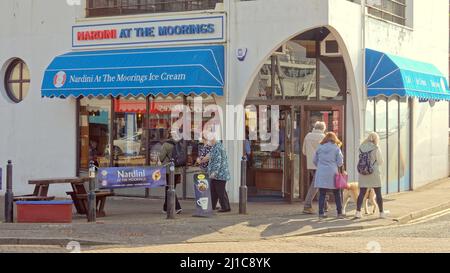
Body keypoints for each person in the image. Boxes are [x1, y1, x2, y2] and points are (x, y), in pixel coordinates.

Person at [355, 132, 388, 219]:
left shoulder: (361, 147)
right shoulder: (376, 148)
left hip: (363, 173)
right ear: (376, 139)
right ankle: (381, 213)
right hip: (374, 172)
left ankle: (358, 212)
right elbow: (381, 161)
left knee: (362, 193)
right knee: (378, 193)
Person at [313, 132, 345, 219]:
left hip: (321, 172)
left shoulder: (319, 147)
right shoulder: (336, 148)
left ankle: (321, 213)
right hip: (332, 173)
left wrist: (320, 165)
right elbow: (340, 162)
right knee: (337, 193)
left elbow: (314, 160)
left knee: (322, 193)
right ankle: (339, 213)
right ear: (334, 139)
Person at [302, 121, 328, 214]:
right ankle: (307, 205)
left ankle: (325, 205)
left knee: (320, 184)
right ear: (323, 129)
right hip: (321, 164)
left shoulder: (308, 136)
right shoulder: (323, 137)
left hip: (311, 164)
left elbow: (304, 151)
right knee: (315, 185)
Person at [207, 137, 231, 213]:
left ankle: (225, 207)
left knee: (220, 191)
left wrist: (214, 173)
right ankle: (212, 206)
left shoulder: (217, 147)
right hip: (219, 174)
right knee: (214, 190)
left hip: (219, 174)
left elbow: (218, 161)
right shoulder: (216, 146)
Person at [159, 136, 182, 214]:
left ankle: (177, 207)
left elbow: (161, 156)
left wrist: (162, 161)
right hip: (178, 170)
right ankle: (165, 208)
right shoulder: (179, 144)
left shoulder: (166, 144)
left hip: (169, 170)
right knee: (170, 189)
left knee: (169, 189)